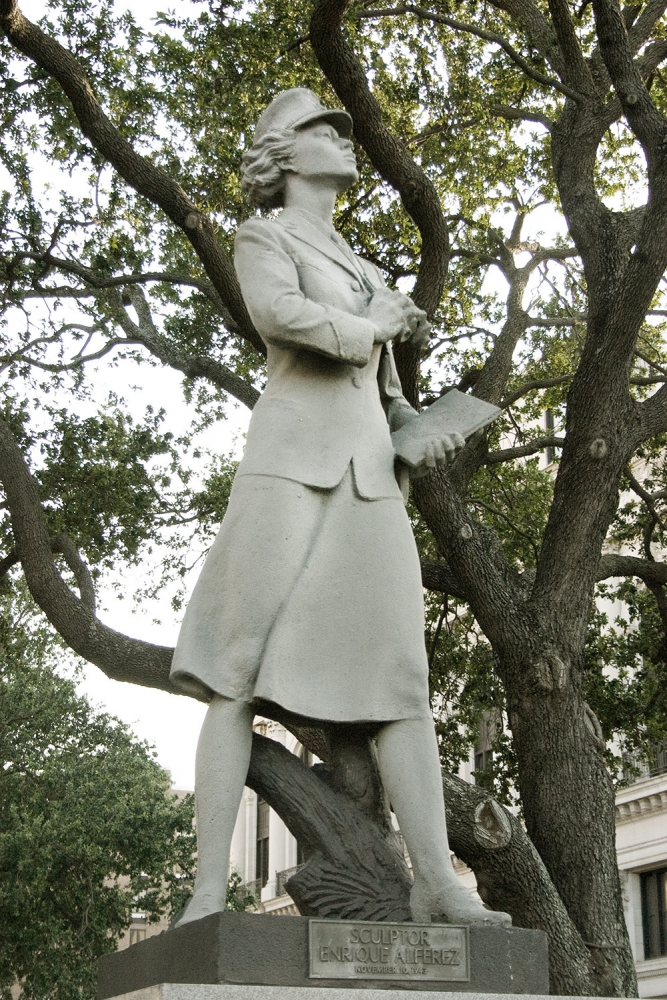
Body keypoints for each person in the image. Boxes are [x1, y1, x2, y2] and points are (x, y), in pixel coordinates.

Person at [171, 88, 511, 928]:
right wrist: (373, 321)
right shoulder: (266, 236)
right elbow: (279, 318)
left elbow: (384, 393)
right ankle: (207, 893)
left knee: (402, 682)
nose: (341, 138)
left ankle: (435, 880)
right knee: (233, 674)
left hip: (368, 482)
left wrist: (421, 428)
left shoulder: (366, 269)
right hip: (289, 470)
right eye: (324, 129)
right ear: (285, 153)